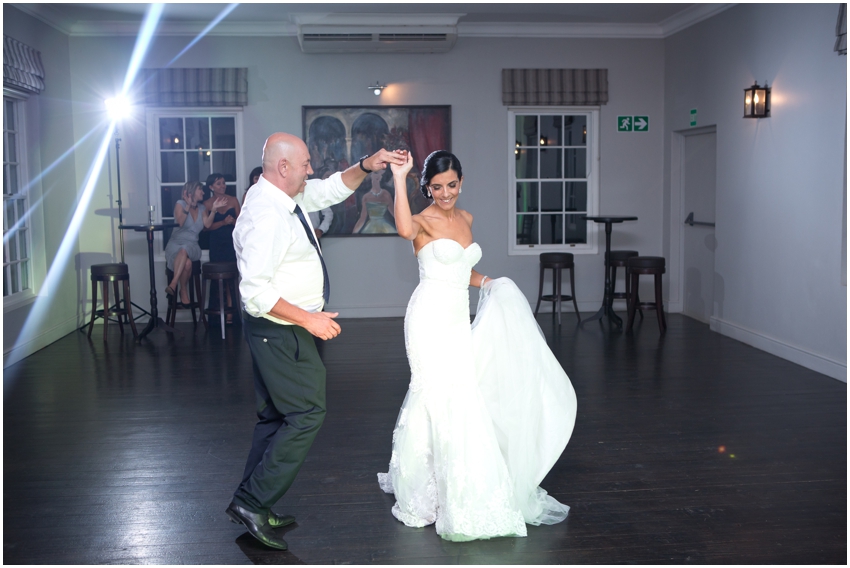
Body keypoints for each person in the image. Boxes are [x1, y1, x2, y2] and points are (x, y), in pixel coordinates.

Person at [377, 150, 578, 542]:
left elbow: (460, 270)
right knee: (433, 394)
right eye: (437, 187)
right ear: (427, 188)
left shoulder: (466, 219)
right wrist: (399, 177)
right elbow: (402, 229)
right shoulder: (421, 221)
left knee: (462, 395)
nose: (445, 193)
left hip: (457, 316)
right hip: (428, 317)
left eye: (451, 185)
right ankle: (424, 492)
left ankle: (461, 483)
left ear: (461, 182)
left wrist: (488, 282)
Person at [225, 132, 406, 550]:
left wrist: (366, 165)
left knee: (276, 417)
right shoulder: (267, 214)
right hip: (281, 330)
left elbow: (329, 189)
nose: (311, 170)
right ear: (283, 167)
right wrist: (309, 319)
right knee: (307, 412)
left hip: (282, 328)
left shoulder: (282, 194)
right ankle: (252, 502)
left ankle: (255, 501)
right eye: (305, 164)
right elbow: (254, 292)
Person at [164, 181, 225, 306]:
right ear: (191, 192)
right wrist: (187, 206)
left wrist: (213, 210)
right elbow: (180, 222)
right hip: (175, 245)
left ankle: (173, 283)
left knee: (185, 249)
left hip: (193, 246)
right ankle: (183, 290)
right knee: (187, 263)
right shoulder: (180, 204)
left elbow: (207, 225)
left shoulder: (202, 208)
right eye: (200, 189)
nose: (203, 192)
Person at [203, 173, 241, 322]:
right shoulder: (207, 204)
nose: (222, 186)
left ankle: (232, 314)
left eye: (224, 183)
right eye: (218, 183)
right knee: (218, 279)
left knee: (231, 278)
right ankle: (217, 317)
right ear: (211, 187)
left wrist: (232, 222)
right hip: (216, 244)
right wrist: (223, 222)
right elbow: (206, 228)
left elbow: (242, 223)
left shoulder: (233, 200)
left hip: (231, 244)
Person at [352, 169, 395, 234]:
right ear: (371, 175)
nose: (378, 176)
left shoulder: (386, 195)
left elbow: (395, 215)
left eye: (381, 174)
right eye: (376, 173)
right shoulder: (366, 197)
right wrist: (353, 234)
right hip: (370, 228)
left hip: (385, 228)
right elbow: (362, 218)